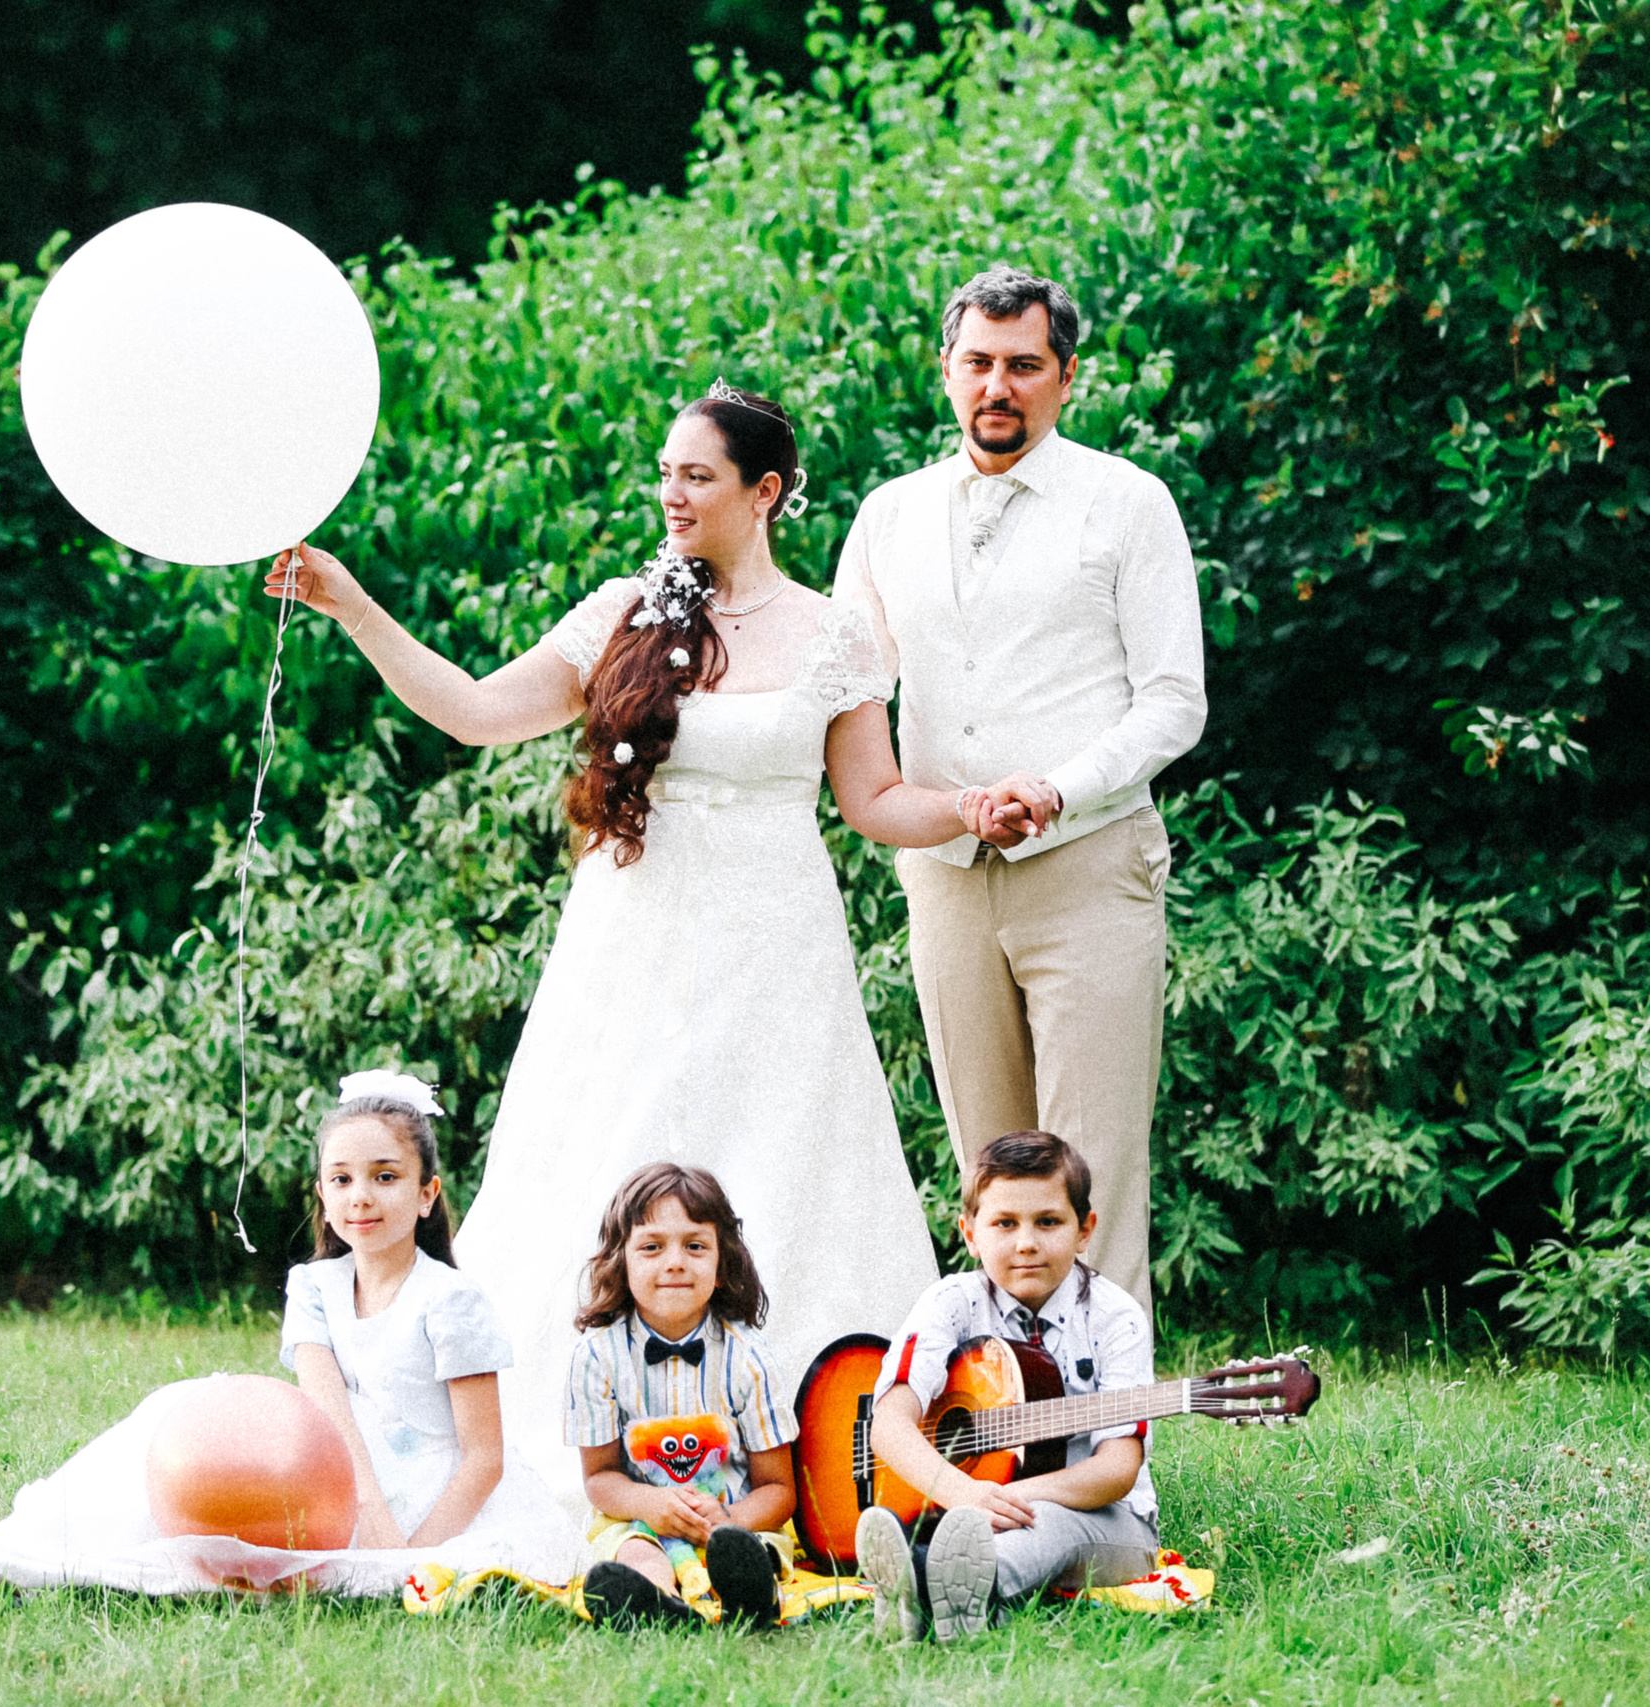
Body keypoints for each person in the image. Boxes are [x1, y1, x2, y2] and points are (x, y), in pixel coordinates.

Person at [266, 384, 951, 1505]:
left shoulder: (837, 632)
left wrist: (971, 811)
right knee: (599, 1155)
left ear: (764, 492)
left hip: (778, 952)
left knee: (793, 1165)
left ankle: (817, 1456)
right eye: (667, 473)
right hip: (630, 946)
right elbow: (477, 710)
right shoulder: (625, 611)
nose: (671, 494)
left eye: (698, 476)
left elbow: (875, 800)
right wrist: (352, 606)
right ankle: (563, 1447)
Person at [832, 266, 1207, 1314]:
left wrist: (1056, 788)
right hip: (945, 871)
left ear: (1065, 376)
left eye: (1023, 366)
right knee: (989, 1173)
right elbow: (849, 685)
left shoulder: (1127, 503)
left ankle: (1104, 1443)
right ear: (947, 372)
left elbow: (1174, 702)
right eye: (978, 364)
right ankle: (1011, 1419)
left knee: (1086, 1173)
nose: (999, 386)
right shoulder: (888, 514)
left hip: (1088, 863)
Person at [0, 1072, 584, 1597]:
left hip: (432, 1493)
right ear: (322, 1194)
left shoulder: (451, 1299)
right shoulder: (314, 1286)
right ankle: (2, 1551)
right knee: (171, 1417)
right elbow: (327, 1406)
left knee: (227, 1557)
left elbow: (483, 1456)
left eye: (385, 1176)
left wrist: (409, 1556)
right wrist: (359, 1501)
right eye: (340, 1179)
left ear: (427, 1193)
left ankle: (28, 1566)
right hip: (338, 1466)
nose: (361, 1196)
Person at [853, 1130, 1159, 1644]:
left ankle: (919, 1582)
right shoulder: (951, 1302)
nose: (1026, 1243)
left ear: (1085, 1230)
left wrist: (1004, 1499)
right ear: (969, 1233)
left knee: (1049, 1524)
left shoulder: (1116, 1318)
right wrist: (962, 1491)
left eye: (1048, 1222)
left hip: (1107, 1523)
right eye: (1004, 1224)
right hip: (962, 1505)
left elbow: (1116, 1470)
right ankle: (956, 1599)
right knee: (973, 1525)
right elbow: (889, 1422)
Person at [566, 1164, 797, 1629]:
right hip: (638, 1518)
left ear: (721, 1266)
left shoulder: (749, 1358)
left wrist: (727, 1517)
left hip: (735, 1519)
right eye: (652, 1247)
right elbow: (600, 1479)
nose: (674, 1262)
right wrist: (651, 1506)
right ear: (621, 1261)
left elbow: (779, 1489)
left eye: (695, 1246)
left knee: (748, 1551)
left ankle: (749, 1597)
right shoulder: (596, 1358)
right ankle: (655, 1601)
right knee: (633, 1550)